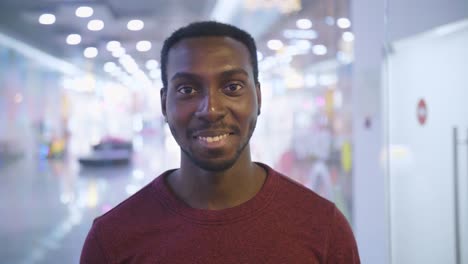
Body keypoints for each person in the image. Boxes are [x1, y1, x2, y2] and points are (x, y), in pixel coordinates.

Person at [80, 21, 360, 263]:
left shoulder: (323, 228)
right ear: (164, 104)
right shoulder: (112, 239)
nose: (211, 109)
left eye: (232, 87)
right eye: (187, 89)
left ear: (258, 98)